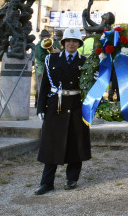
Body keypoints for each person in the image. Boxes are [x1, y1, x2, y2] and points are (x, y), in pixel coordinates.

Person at [34, 27, 91, 195]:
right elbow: (44, 84)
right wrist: (40, 107)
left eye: (75, 41)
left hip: (76, 105)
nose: (71, 44)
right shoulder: (51, 59)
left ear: (79, 44)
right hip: (55, 106)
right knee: (51, 143)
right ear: (63, 42)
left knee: (76, 142)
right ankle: (47, 182)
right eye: (68, 41)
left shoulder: (84, 61)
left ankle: (72, 178)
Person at [34, 29, 55, 107]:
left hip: (46, 68)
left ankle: (42, 103)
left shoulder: (47, 45)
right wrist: (51, 55)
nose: (47, 38)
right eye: (45, 36)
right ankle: (38, 103)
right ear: (42, 37)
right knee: (40, 87)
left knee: (45, 86)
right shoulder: (39, 46)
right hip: (41, 69)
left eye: (48, 36)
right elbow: (41, 56)